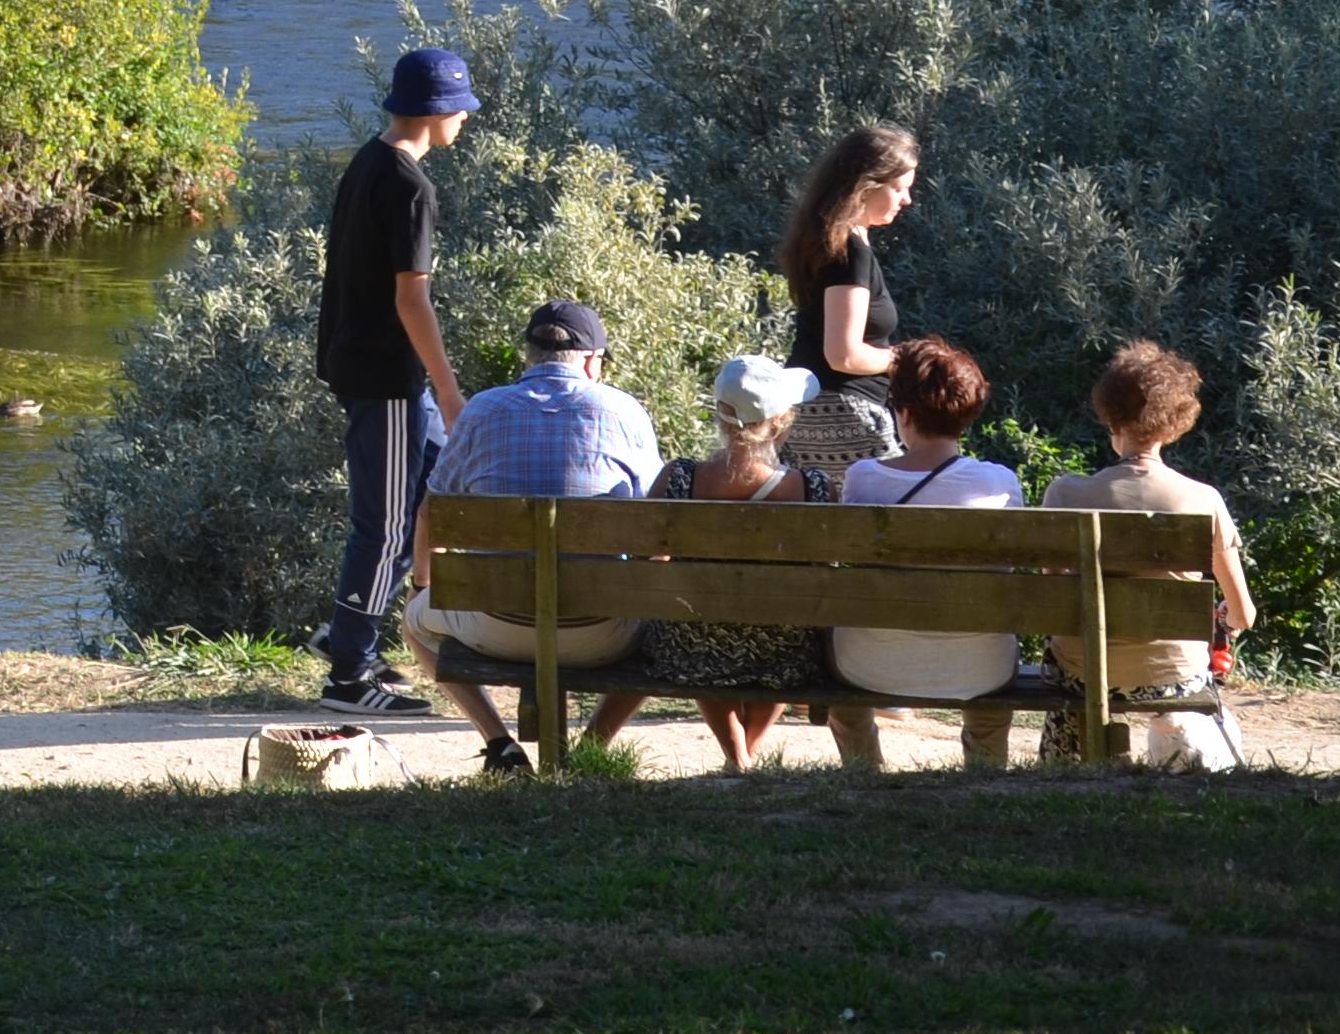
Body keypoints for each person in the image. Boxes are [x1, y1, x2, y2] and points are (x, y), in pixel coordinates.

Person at [402, 296, 668, 772]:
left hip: (495, 623)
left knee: (414, 621)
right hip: (599, 630)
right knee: (667, 626)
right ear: (592, 362)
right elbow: (658, 523)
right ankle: (591, 748)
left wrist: (426, 585)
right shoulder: (624, 411)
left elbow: (430, 513)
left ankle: (500, 744)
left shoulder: (481, 411)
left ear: (529, 355)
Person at [309, 45, 476, 718]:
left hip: (359, 361)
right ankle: (348, 671)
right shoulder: (411, 187)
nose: (464, 122)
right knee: (384, 526)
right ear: (437, 111)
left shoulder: (366, 162)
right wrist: (448, 387)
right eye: (461, 110)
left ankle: (353, 633)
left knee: (435, 485)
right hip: (388, 376)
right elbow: (413, 300)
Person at [1045, 340, 1257, 768]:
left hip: (1081, 676)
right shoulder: (1202, 499)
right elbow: (1243, 614)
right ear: (1176, 424)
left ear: (1109, 414)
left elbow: (1052, 594)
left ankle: (1068, 762)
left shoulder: (1065, 492)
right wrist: (1222, 623)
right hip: (1172, 678)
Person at [629, 352, 837, 769]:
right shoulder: (813, 487)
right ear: (780, 421)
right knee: (791, 624)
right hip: (788, 654)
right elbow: (828, 571)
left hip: (689, 652)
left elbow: (640, 555)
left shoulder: (679, 479)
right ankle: (744, 756)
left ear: (721, 418)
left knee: (695, 624)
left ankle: (737, 757)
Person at [826, 332, 1021, 770]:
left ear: (905, 413)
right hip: (981, 668)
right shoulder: (1000, 483)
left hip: (867, 664)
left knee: (838, 677)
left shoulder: (863, 478)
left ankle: (864, 770)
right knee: (987, 663)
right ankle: (986, 771)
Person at [778, 121, 920, 471]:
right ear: (865, 185)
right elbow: (844, 355)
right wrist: (902, 358)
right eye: (900, 188)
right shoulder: (849, 252)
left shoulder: (824, 243)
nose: (907, 200)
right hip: (846, 418)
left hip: (803, 414)